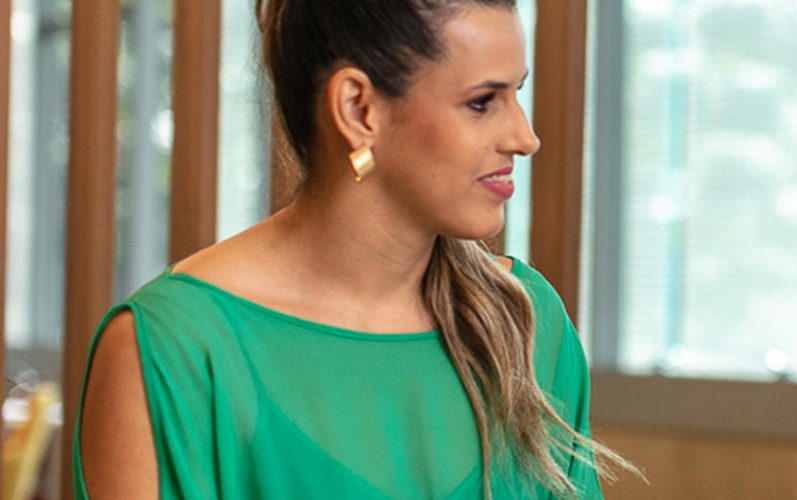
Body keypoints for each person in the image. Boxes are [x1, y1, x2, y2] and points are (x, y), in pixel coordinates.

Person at [72, 0, 633, 497]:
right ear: (359, 109)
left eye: (517, 94)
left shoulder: (527, 324)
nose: (525, 138)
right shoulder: (173, 351)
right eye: (483, 102)